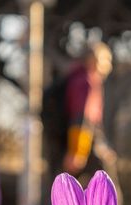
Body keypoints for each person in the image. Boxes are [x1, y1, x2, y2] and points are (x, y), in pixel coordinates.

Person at [44, 42, 114, 183]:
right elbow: (81, 116)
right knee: (106, 181)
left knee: (62, 187)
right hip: (81, 143)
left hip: (64, 142)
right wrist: (76, 153)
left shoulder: (73, 76)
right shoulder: (87, 81)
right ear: (95, 61)